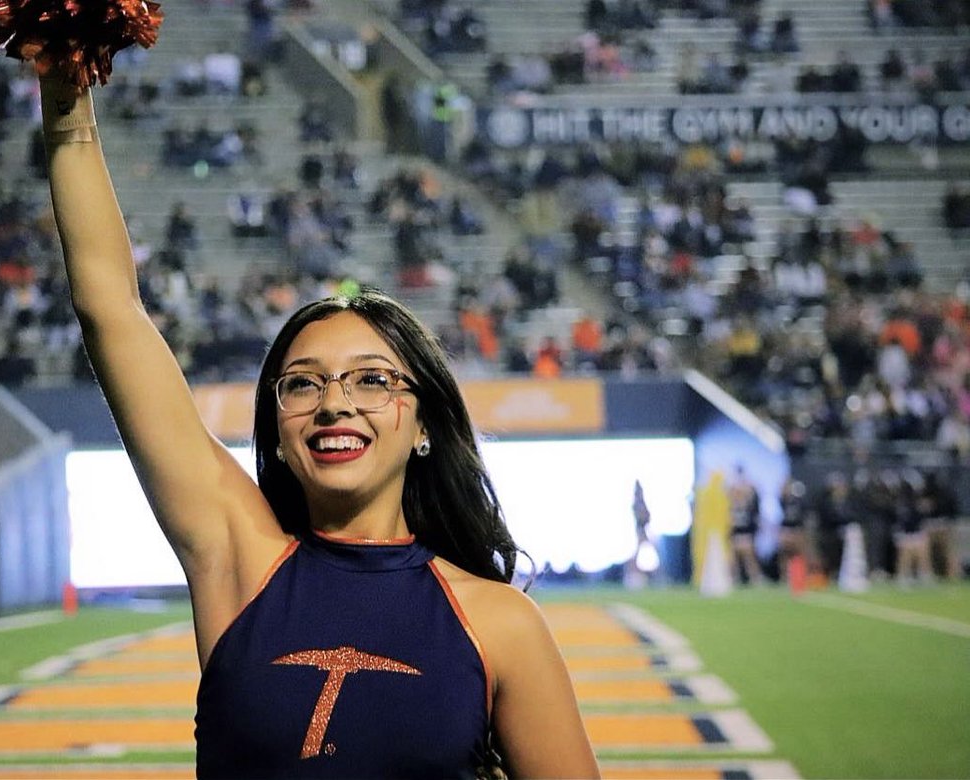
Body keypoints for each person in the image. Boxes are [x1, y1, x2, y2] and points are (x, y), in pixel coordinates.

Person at [38, 76, 598, 778]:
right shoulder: (237, 560)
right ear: (276, 431)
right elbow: (109, 307)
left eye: (371, 379)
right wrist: (65, 91)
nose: (335, 404)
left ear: (424, 422)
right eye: (303, 383)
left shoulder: (502, 624)